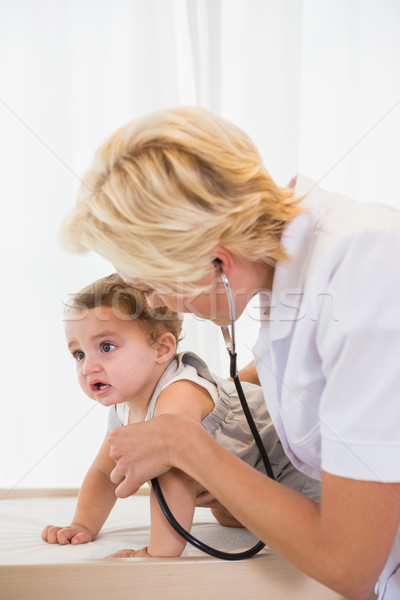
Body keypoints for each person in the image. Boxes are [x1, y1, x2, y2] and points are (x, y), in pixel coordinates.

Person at [60, 106, 400, 598]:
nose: (155, 303)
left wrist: (191, 447)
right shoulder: (290, 276)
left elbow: (349, 565)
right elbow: (314, 374)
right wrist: (210, 423)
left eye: (153, 285)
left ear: (217, 261)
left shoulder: (364, 265)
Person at [41, 273, 320, 558]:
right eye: (79, 354)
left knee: (304, 525)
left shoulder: (179, 393)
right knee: (225, 516)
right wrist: (83, 524)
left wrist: (158, 554)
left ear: (161, 349)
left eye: (106, 347)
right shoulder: (123, 406)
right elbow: (104, 472)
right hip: (249, 484)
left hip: (290, 468)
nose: (88, 368)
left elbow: (176, 476)